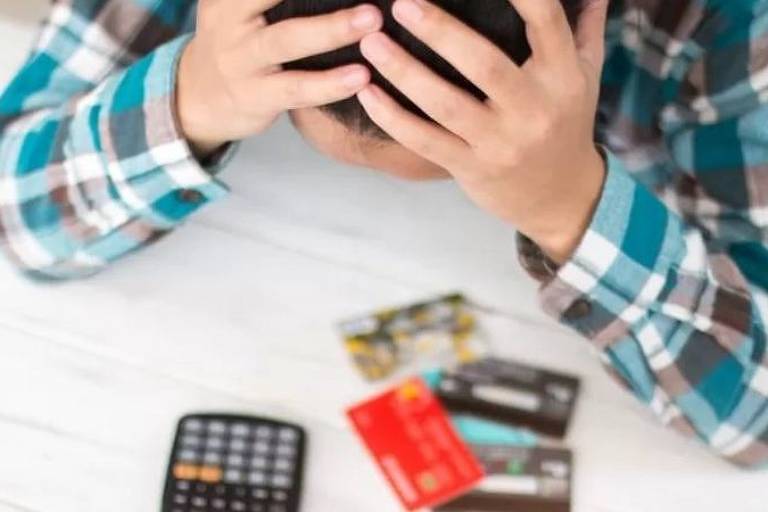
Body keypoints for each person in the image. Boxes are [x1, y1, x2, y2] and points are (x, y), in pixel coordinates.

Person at [1, 0, 767, 468]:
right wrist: (194, 94)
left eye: (462, 162)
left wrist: (568, 201)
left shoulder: (740, 27)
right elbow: (20, 224)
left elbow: (752, 425)